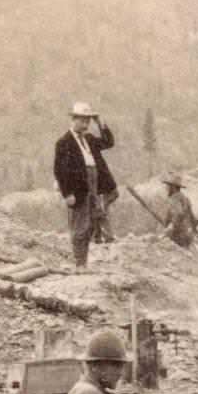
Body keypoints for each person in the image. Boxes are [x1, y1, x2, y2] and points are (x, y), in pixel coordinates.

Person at [53, 102, 118, 269]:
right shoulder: (64, 142)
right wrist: (67, 194)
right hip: (78, 188)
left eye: (88, 121)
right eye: (82, 120)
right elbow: (59, 170)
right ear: (73, 119)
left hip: (94, 185)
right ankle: (79, 264)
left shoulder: (89, 139)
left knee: (90, 225)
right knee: (79, 226)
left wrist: (100, 122)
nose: (86, 124)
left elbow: (109, 142)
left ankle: (84, 264)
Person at [162, 173, 198, 249]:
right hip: (188, 231)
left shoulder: (174, 198)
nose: (166, 188)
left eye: (168, 186)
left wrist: (171, 227)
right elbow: (193, 217)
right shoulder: (185, 198)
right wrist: (194, 230)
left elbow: (179, 213)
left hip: (179, 232)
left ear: (173, 187)